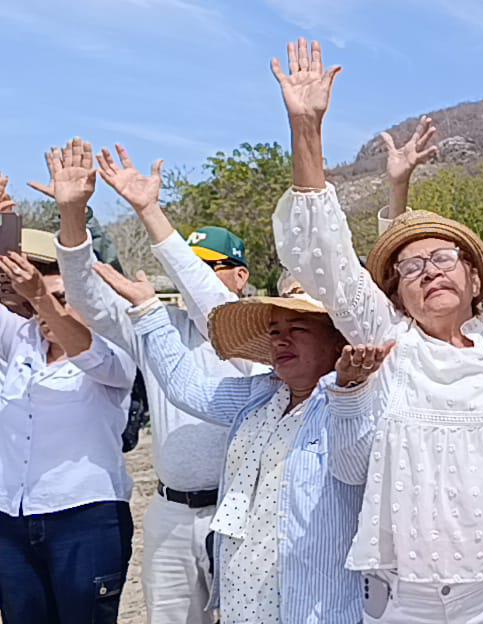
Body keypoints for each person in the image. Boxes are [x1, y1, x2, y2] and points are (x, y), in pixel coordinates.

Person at [272, 28, 483, 623]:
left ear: (476, 280)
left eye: (444, 258)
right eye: (410, 267)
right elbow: (324, 254)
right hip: (407, 605)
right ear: (395, 294)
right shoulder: (388, 341)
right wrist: (307, 130)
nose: (428, 272)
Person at [96, 261, 380, 624]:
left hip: (314, 606)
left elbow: (357, 467)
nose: (281, 340)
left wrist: (350, 390)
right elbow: (187, 388)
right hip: (245, 598)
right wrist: (150, 310)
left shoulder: (351, 403)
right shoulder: (262, 394)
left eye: (298, 328)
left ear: (338, 341)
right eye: (275, 331)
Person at [52, 138, 261, 624]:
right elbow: (87, 300)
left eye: (206, 268)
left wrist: (150, 211)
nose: (189, 279)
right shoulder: (160, 325)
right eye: (184, 267)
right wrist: (72, 220)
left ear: (240, 276)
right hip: (169, 512)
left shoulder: (262, 336)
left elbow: (216, 306)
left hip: (240, 512)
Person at [0, 154, 137, 624]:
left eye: (65, 300)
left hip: (86, 518)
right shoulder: (19, 339)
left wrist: (42, 296)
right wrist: (3, 220)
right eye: (44, 297)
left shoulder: (113, 350)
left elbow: (88, 353)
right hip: (11, 520)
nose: (49, 310)